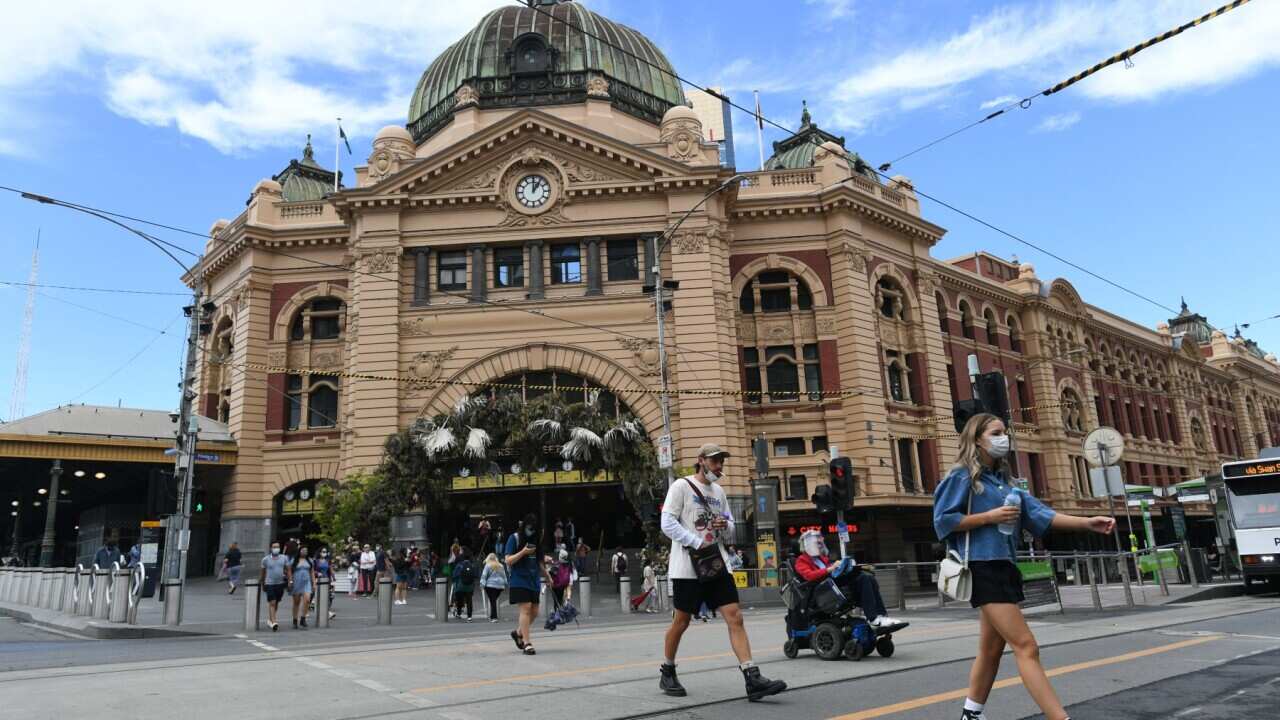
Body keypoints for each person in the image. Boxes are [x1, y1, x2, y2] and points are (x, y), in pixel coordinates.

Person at [935, 413, 1114, 720]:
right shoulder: (962, 476)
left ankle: (971, 715)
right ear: (977, 438)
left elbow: (1041, 515)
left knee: (991, 651)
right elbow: (943, 521)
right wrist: (989, 517)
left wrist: (1087, 522)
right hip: (982, 567)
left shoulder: (1007, 483)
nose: (1003, 438)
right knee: (1026, 645)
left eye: (1004, 432)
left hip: (1005, 566)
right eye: (996, 432)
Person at [659, 443, 786, 702]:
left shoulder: (719, 491)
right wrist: (695, 541)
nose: (719, 466)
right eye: (715, 461)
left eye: (721, 462)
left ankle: (752, 676)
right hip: (687, 567)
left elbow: (730, 528)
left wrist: (723, 525)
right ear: (701, 460)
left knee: (735, 616)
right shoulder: (681, 486)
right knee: (681, 622)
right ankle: (668, 670)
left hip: (717, 564)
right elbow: (667, 522)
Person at [793, 529, 905, 629]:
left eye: (819, 542)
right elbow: (809, 575)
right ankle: (873, 618)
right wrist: (830, 568)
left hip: (833, 586)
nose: (819, 545)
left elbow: (831, 571)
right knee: (863, 578)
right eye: (816, 543)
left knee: (868, 577)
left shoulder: (822, 558)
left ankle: (881, 615)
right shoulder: (801, 560)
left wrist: (840, 566)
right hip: (822, 592)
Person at [505, 514, 547, 655]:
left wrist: (548, 577)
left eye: (534, 529)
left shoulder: (536, 540)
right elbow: (508, 560)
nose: (532, 531)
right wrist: (523, 552)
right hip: (519, 579)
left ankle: (518, 633)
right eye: (530, 528)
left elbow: (539, 562)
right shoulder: (514, 538)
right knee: (526, 608)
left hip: (533, 580)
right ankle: (527, 643)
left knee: (534, 612)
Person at [260, 541, 291, 632]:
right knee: (272, 602)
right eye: (274, 547)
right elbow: (263, 572)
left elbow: (288, 570)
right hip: (269, 583)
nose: (276, 548)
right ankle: (274, 622)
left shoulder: (284, 558)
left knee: (276, 602)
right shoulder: (265, 559)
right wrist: (262, 583)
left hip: (280, 583)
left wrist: (290, 581)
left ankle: (270, 619)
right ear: (270, 548)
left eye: (277, 546)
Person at [290, 546, 315, 629]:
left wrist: (314, 583)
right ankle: (295, 620)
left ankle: (303, 618)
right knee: (296, 602)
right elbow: (289, 570)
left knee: (307, 600)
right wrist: (290, 581)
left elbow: (312, 572)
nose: (305, 552)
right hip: (297, 582)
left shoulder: (310, 561)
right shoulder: (294, 560)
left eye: (306, 550)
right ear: (299, 551)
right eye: (303, 550)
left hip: (306, 582)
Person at [451, 547, 477, 622]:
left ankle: (459, 613)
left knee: (460, 600)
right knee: (469, 601)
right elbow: (475, 575)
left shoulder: (459, 565)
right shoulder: (472, 565)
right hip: (470, 586)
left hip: (460, 586)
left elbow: (454, 575)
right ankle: (469, 617)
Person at [480, 552, 507, 622]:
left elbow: (484, 575)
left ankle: (494, 617)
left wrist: (482, 584)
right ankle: (493, 616)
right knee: (493, 600)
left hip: (490, 586)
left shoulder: (488, 565)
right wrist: (505, 583)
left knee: (493, 601)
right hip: (500, 586)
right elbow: (504, 576)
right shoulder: (500, 565)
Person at [315, 547, 336, 620]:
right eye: (323, 551)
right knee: (319, 597)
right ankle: (324, 612)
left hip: (327, 580)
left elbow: (331, 569)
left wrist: (333, 578)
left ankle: (327, 612)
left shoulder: (328, 561)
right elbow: (313, 571)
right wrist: (317, 573)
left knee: (329, 597)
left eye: (325, 551)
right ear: (320, 552)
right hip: (319, 581)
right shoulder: (316, 561)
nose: (324, 553)